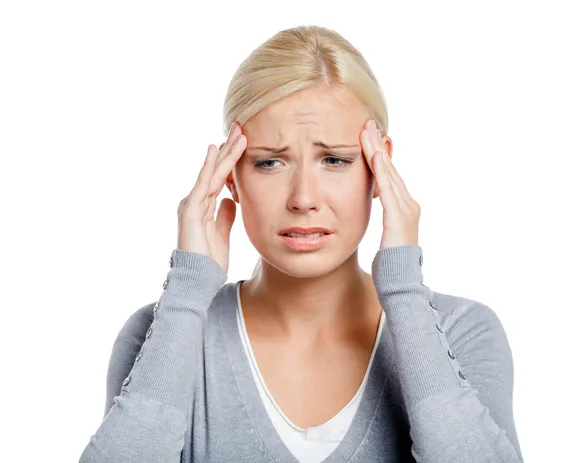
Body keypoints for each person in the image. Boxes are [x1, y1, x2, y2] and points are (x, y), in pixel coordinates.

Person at [79, 25, 524, 463]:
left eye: (335, 160)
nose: (304, 198)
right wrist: (187, 290)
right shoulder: (160, 334)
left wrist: (404, 290)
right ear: (231, 174)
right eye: (270, 162)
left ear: (379, 166)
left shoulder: (463, 331)